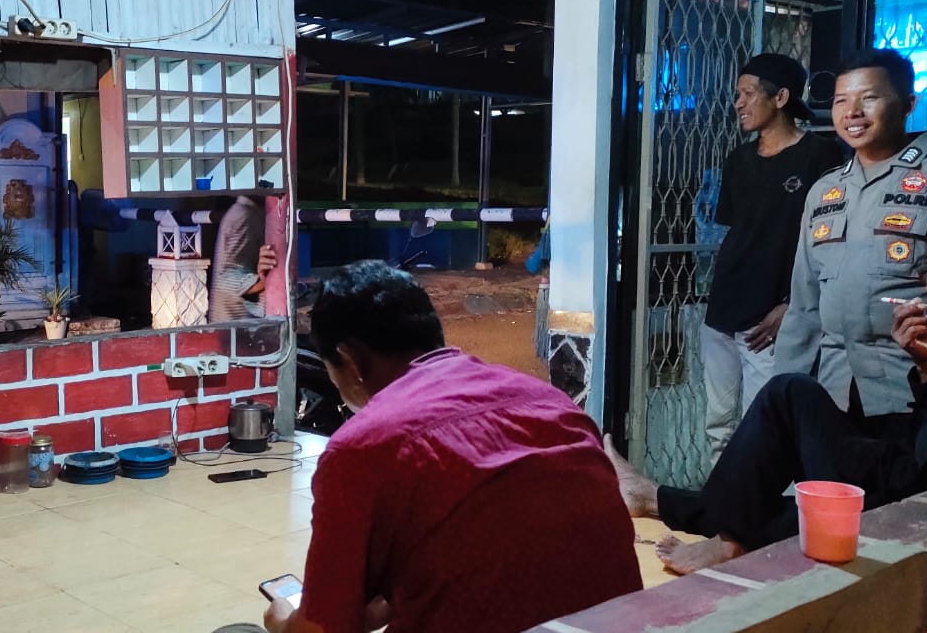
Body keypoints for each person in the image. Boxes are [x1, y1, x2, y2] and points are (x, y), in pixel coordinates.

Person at [609, 196, 927, 573]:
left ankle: (719, 535)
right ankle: (667, 505)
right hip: (917, 481)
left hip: (908, 511)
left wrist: (860, 451)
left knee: (785, 408)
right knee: (790, 415)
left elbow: (923, 481)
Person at [251, 260, 641, 633]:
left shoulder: (362, 448)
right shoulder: (555, 406)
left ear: (348, 360)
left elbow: (321, 630)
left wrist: (283, 621)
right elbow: (504, 550)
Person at [775, 48, 927, 422]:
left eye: (869, 98)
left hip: (920, 386)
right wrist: (784, 396)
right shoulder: (825, 191)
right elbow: (804, 307)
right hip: (834, 391)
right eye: (841, 101)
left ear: (908, 104)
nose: (852, 112)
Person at [702, 54, 845, 458]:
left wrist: (793, 304)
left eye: (748, 94)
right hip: (722, 311)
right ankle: (720, 496)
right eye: (737, 95)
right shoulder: (739, 160)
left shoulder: (821, 156)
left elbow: (830, 242)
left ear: (780, 97)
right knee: (718, 425)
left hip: (771, 320)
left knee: (763, 428)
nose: (739, 104)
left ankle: (762, 500)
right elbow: (736, 232)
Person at [210, 195, 278, 322]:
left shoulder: (248, 213)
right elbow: (226, 278)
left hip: (237, 322)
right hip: (235, 322)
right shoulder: (244, 216)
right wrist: (266, 281)